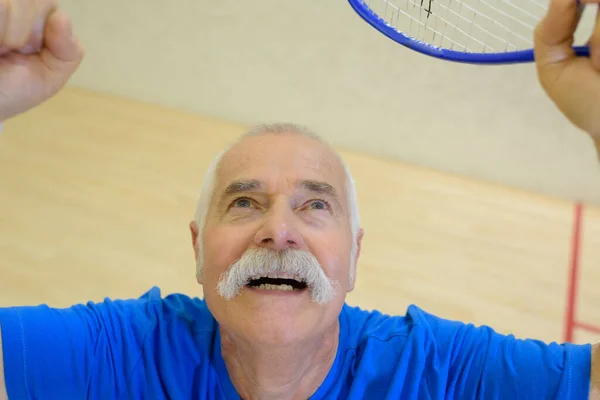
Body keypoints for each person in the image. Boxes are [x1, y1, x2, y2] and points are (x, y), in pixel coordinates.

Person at [0, 0, 598, 398]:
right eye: (243, 203)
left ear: (355, 258)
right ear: (197, 248)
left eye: (316, 205)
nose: (277, 230)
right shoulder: (121, 354)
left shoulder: (434, 371)